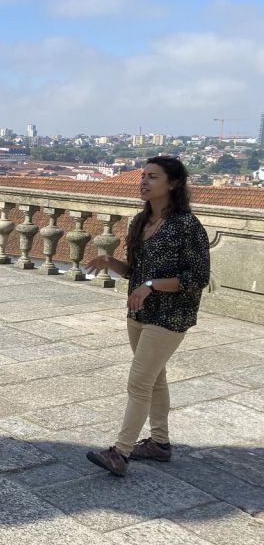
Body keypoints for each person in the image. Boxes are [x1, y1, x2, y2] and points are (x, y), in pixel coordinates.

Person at [85, 156, 210, 477]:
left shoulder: (187, 226)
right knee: (155, 379)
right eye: (142, 176)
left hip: (171, 316)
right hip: (139, 311)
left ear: (173, 183)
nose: (143, 182)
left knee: (139, 382)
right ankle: (160, 443)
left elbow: (197, 279)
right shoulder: (140, 222)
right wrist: (111, 262)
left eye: (152, 177)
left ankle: (120, 453)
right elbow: (135, 272)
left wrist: (151, 286)